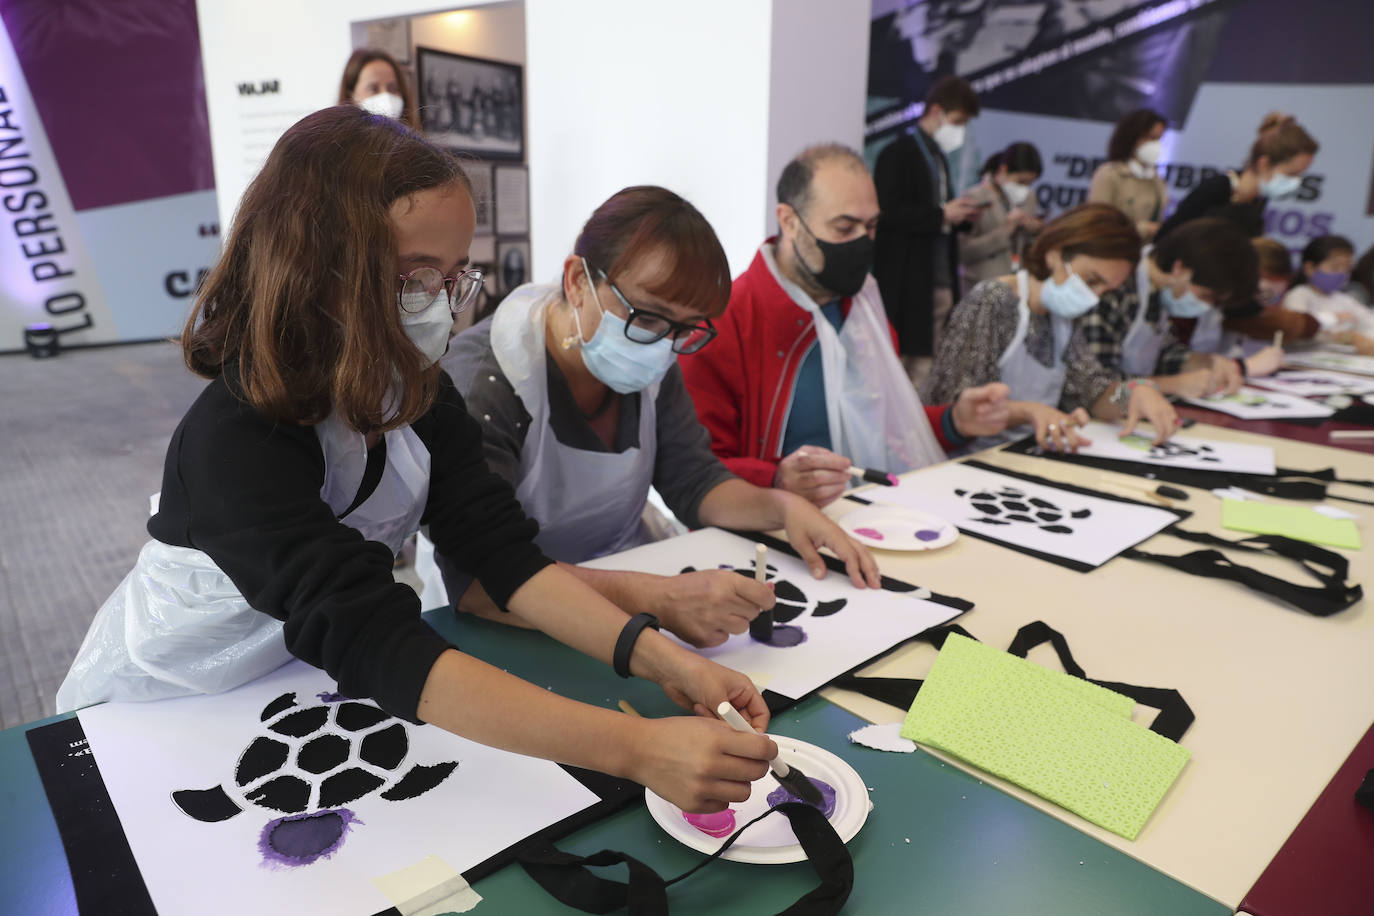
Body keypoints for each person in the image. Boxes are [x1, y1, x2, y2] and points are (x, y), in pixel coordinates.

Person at [56, 108, 774, 815]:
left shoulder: (417, 391)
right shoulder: (235, 439)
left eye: (454, 276)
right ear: (315, 269)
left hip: (296, 671)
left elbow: (505, 560)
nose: (442, 307)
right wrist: (635, 748)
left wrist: (664, 659)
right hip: (170, 696)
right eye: (413, 278)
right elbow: (373, 635)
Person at [427, 184, 881, 651]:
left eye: (686, 328)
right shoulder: (486, 382)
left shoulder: (651, 355)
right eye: (647, 316)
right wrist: (656, 598)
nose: (664, 343)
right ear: (578, 281)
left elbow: (693, 481)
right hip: (509, 620)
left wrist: (783, 507)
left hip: (621, 578)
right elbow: (480, 584)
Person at [679, 144, 1012, 509]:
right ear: (789, 221)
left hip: (870, 521)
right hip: (773, 535)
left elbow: (886, 427)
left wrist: (954, 421)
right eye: (844, 227)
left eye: (870, 227)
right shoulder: (723, 324)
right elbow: (693, 471)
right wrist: (774, 479)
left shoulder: (863, 307)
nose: (862, 242)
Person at [923, 203, 1179, 451]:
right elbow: (960, 407)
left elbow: (1091, 391)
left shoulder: (1063, 317)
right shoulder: (994, 300)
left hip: (1022, 454)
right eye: (1091, 280)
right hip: (969, 460)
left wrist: (1132, 395)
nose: (1094, 297)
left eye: (1106, 291)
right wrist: (1030, 412)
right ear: (1055, 254)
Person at [1078, 218, 1282, 399]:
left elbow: (1158, 352)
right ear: (1180, 268)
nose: (1205, 307)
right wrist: (1171, 385)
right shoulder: (1114, 289)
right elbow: (1096, 389)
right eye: (1205, 296)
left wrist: (1201, 362)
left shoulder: (1159, 295)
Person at [873, 76, 984, 382]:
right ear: (936, 111)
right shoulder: (898, 154)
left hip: (938, 275)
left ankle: (922, 417)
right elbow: (887, 213)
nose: (960, 131)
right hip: (906, 276)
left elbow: (936, 211)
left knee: (929, 359)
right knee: (902, 360)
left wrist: (957, 216)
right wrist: (940, 215)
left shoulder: (938, 157)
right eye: (957, 121)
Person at [1156, 113, 1318, 240]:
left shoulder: (1258, 200)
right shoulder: (1218, 187)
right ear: (1264, 164)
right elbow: (1168, 236)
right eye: (1291, 174)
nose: (1296, 182)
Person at [961, 142, 1045, 290]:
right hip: (982, 287)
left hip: (1017, 285)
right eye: (1021, 181)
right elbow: (964, 253)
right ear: (1003, 170)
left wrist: (1034, 231)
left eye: (1030, 183)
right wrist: (1004, 231)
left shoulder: (1029, 198)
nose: (1024, 188)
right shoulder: (975, 198)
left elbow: (1030, 249)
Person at [1088, 109, 1170, 241]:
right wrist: (1141, 229)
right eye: (1151, 138)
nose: (1155, 145)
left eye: (1159, 139)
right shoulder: (1109, 174)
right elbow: (1098, 222)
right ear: (1132, 137)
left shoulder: (1157, 181)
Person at [1281, 235, 1374, 347]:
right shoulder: (1298, 295)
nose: (1341, 273)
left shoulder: (1344, 299)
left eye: (1347, 268)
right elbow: (1298, 330)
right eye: (1335, 267)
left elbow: (1369, 322)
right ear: (1309, 268)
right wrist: (1345, 336)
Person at [338, 48, 420, 130]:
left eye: (393, 89)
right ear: (351, 96)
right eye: (373, 89)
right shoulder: (337, 142)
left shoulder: (416, 140)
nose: (386, 95)